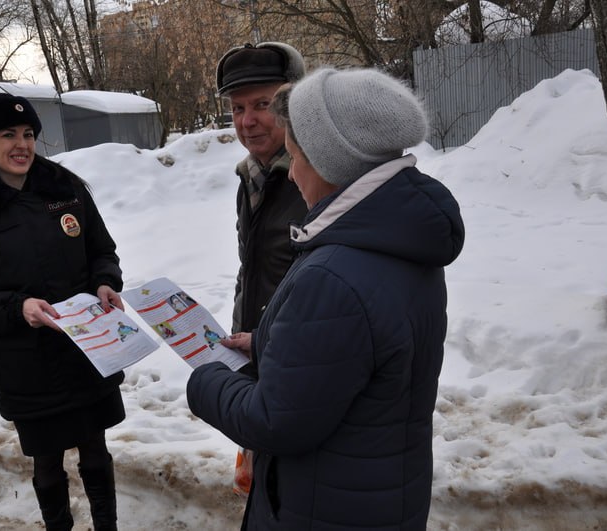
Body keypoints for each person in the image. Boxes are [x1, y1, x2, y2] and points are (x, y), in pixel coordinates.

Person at [187, 67, 465, 530]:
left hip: (322, 508)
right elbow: (367, 348)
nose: (292, 174)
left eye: (295, 156)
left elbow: (275, 422)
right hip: (379, 492)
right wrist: (271, 345)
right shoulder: (401, 242)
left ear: (329, 161)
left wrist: (205, 379)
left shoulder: (335, 274)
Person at [0, 93, 124, 531]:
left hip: (87, 351)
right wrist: (17, 307)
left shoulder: (66, 188)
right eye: (8, 135)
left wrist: (105, 282)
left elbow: (102, 250)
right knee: (47, 463)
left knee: (96, 451)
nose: (22, 144)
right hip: (27, 366)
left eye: (28, 134)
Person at [216, 42, 309, 339]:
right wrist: (240, 338)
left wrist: (262, 343)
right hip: (259, 355)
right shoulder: (250, 179)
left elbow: (330, 294)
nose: (247, 121)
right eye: (237, 108)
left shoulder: (317, 179)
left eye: (262, 105)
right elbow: (250, 272)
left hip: (300, 358)